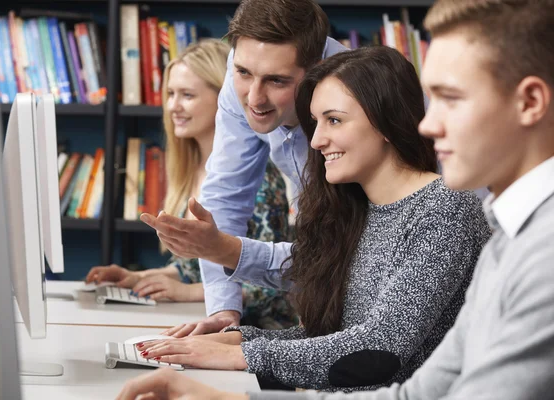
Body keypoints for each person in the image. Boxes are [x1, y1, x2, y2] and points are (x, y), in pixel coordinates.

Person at [117, 0, 554, 398]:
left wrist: (239, 372)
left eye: (450, 99)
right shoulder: (503, 239)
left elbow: (380, 352)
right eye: (314, 122)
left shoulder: (479, 223)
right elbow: (419, 387)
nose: (429, 123)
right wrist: (235, 338)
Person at [137, 0, 348, 338]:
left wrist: (224, 249)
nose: (253, 98)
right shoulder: (246, 75)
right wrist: (223, 309)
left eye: (277, 81)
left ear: (318, 70)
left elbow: (350, 255)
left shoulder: (358, 98)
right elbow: (223, 203)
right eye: (243, 72)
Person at [86, 39, 298, 330]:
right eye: (170, 94)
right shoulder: (190, 169)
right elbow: (197, 264)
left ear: (225, 97)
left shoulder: (258, 178)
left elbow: (273, 283)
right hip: (213, 320)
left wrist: (187, 293)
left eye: (187, 95)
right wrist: (140, 278)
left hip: (259, 332)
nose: (174, 106)